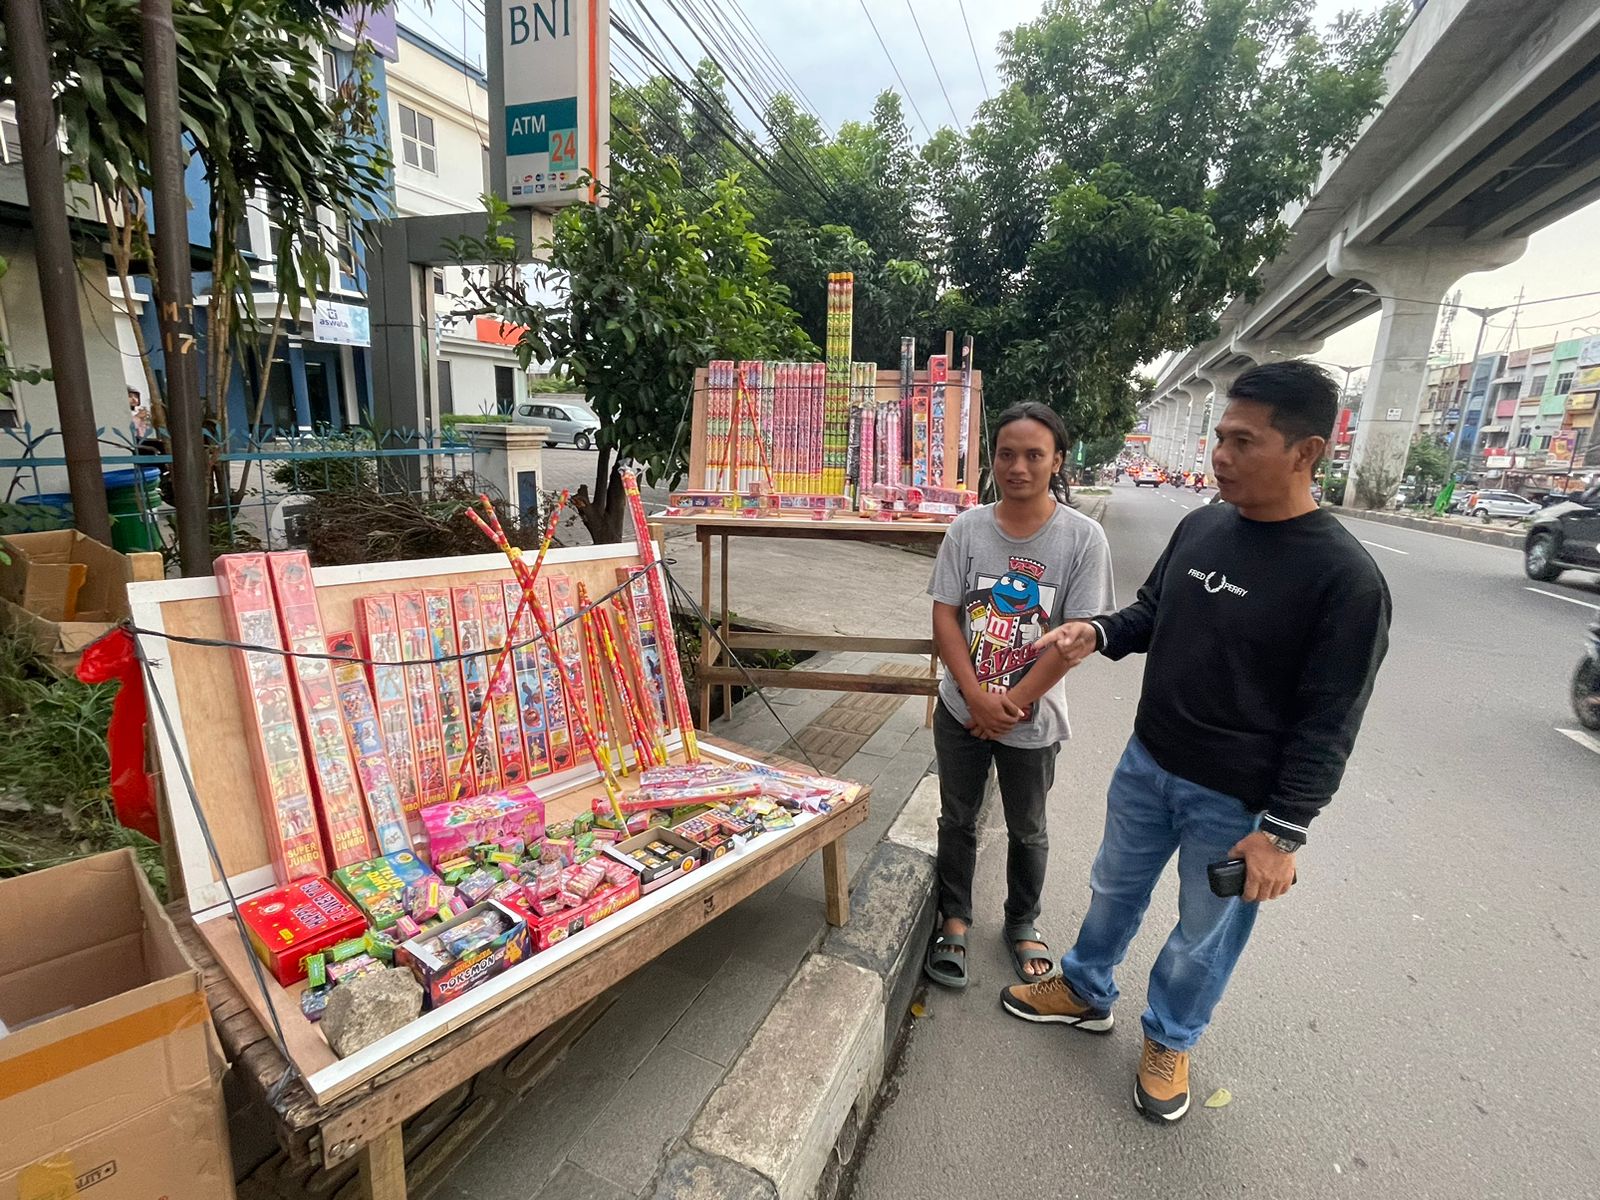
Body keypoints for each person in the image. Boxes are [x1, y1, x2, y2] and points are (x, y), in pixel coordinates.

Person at [999, 361, 1391, 1123]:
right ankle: (1085, 988)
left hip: (1236, 801)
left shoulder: (1345, 579)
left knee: (1203, 935)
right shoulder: (1204, 525)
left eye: (1244, 441)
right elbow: (1153, 612)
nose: (1221, 455)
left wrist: (1282, 833)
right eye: (1220, 437)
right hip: (1148, 762)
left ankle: (1170, 1038)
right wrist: (1096, 632)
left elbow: (1329, 723)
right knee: (1113, 889)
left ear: (1307, 451)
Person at [923, 402, 1114, 990]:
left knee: (1027, 827)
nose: (1019, 467)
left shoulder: (1083, 538)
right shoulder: (967, 529)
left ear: (1058, 460)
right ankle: (954, 917)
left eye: (1034, 455)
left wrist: (1011, 703)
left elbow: (1076, 637)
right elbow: (946, 615)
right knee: (957, 817)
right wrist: (976, 696)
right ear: (993, 459)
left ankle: (1022, 920)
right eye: (1007, 454)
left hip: (1034, 719)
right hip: (962, 709)